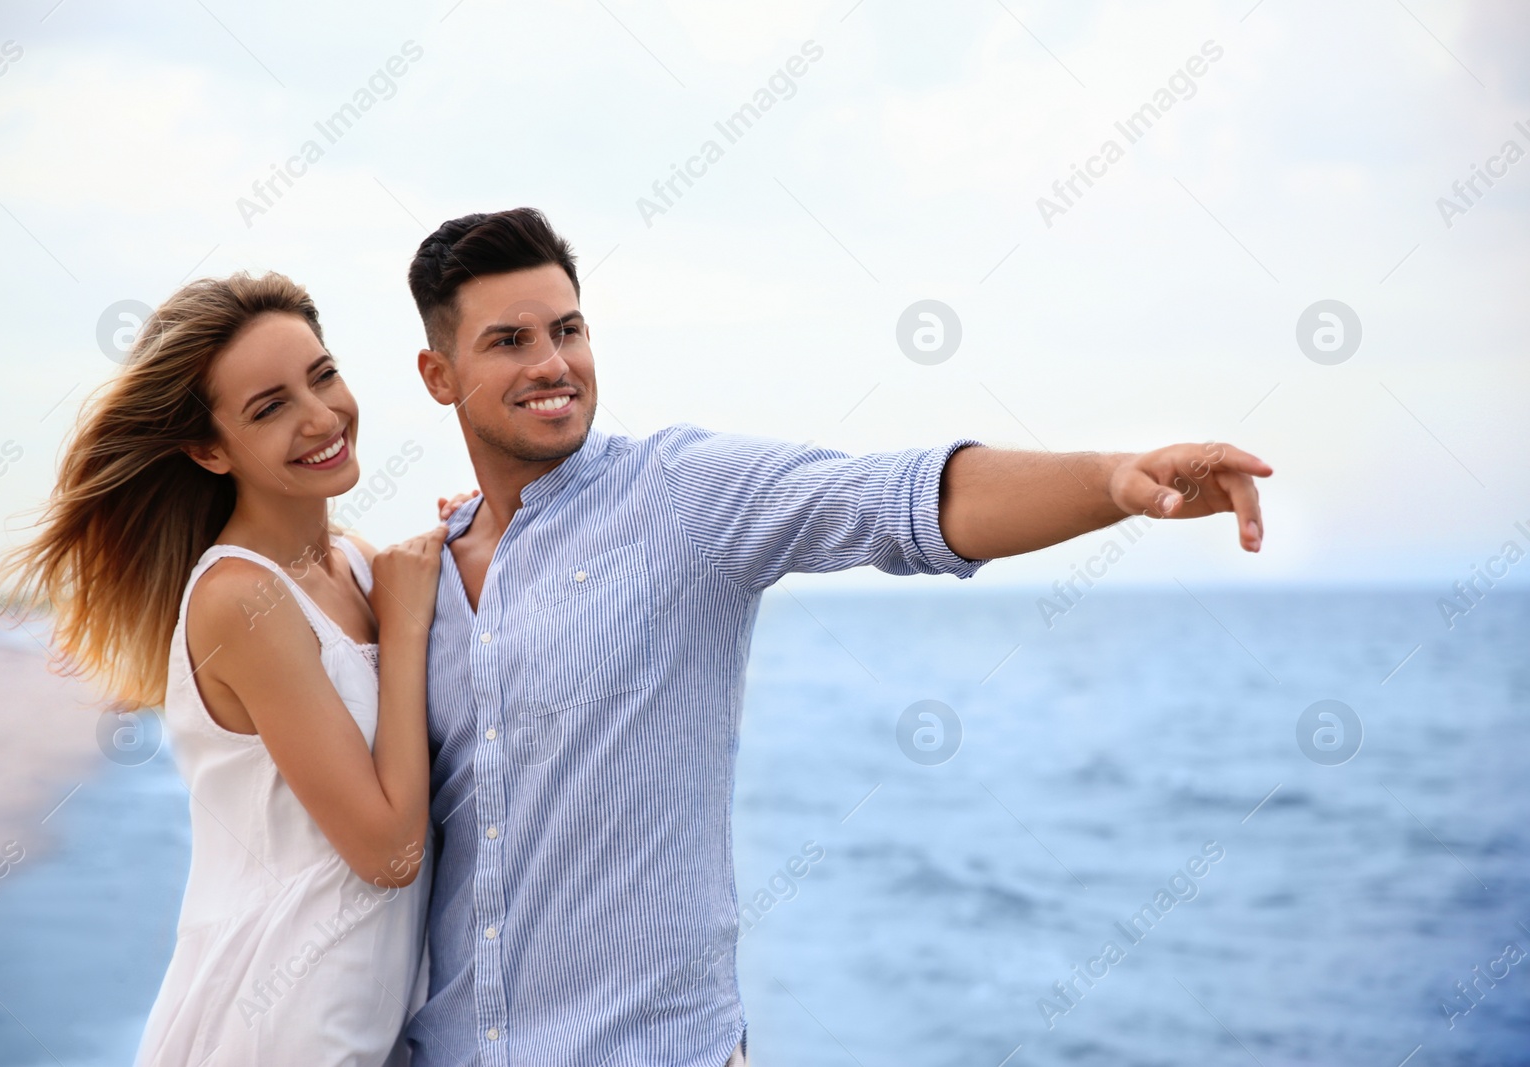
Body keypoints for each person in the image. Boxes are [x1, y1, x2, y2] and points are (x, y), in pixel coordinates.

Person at [398, 207, 1272, 1067]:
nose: (554, 363)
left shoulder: (678, 493)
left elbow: (889, 499)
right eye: (510, 341)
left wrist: (1111, 482)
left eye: (569, 329)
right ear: (440, 375)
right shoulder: (417, 579)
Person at [0, 273, 458, 1065]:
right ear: (209, 449)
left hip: (369, 1027)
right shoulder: (242, 600)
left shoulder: (356, 566)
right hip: (280, 1024)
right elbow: (389, 854)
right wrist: (408, 630)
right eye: (269, 406)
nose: (321, 416)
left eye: (323, 375)